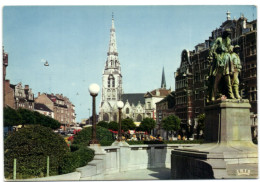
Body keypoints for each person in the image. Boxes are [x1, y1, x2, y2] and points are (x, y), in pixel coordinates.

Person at [208, 28, 234, 101]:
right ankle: (213, 96)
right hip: (220, 60)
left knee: (228, 80)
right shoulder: (219, 39)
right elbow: (213, 48)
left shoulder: (228, 40)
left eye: (229, 34)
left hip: (226, 60)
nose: (228, 35)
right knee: (216, 80)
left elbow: (229, 48)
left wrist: (228, 50)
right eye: (227, 33)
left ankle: (231, 94)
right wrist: (215, 56)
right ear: (224, 33)